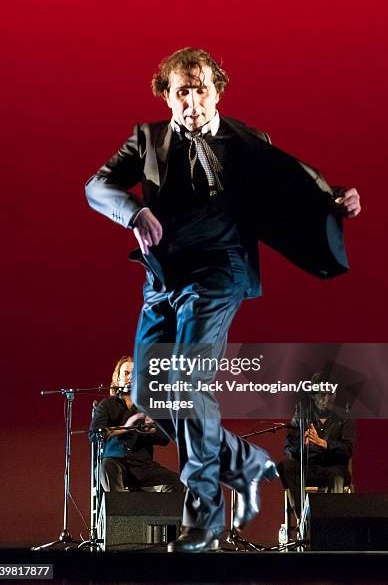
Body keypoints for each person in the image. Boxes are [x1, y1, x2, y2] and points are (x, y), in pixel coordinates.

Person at [85, 48, 361, 552]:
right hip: (163, 278)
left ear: (218, 91)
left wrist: (337, 196)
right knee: (150, 395)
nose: (192, 101)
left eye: (201, 89)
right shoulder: (147, 139)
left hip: (219, 273)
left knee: (187, 381)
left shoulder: (249, 141)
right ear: (166, 97)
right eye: (181, 91)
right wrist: (133, 213)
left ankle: (205, 515)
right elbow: (96, 186)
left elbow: (292, 189)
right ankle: (243, 461)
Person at [89, 355, 182, 493]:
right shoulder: (107, 405)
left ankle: (153, 514)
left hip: (142, 466)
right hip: (115, 463)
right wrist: (127, 427)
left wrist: (151, 430)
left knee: (177, 483)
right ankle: (119, 512)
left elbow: (164, 438)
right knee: (106, 466)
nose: (130, 377)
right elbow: (95, 434)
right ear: (118, 378)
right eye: (126, 373)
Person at [278, 372, 356, 516]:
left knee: (336, 475)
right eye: (322, 394)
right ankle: (304, 521)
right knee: (285, 466)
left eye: (330, 394)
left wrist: (323, 443)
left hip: (333, 468)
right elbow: (289, 448)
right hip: (308, 469)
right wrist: (303, 445)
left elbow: (348, 449)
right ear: (313, 396)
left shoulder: (344, 417)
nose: (326, 399)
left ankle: (333, 523)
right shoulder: (302, 415)